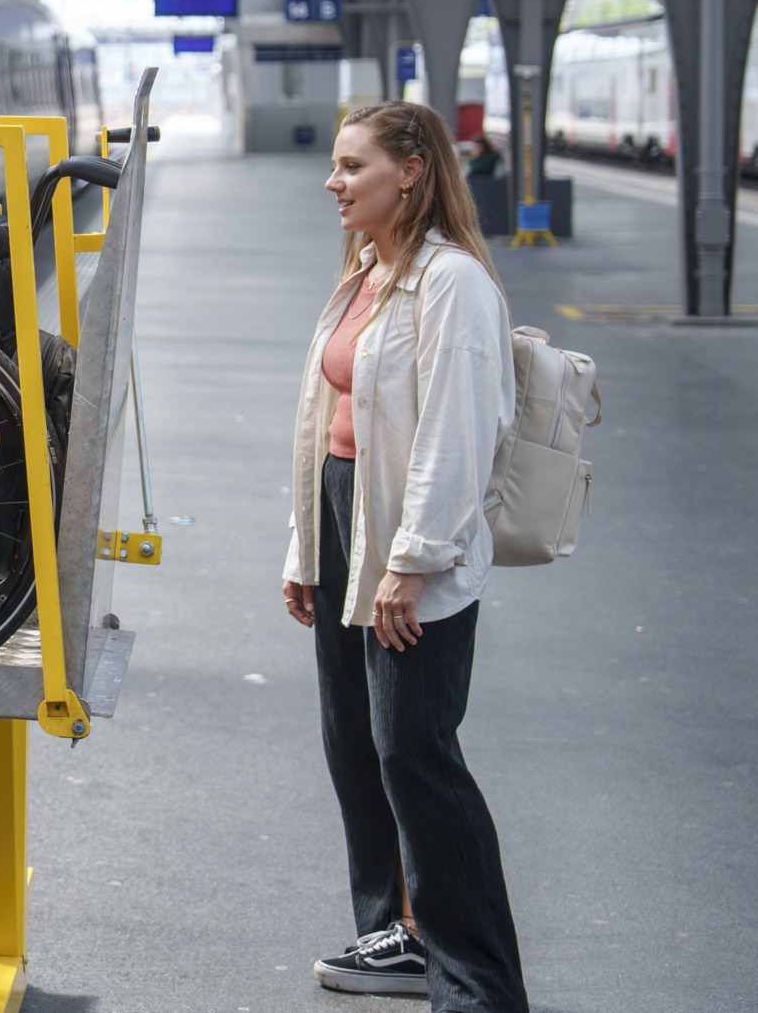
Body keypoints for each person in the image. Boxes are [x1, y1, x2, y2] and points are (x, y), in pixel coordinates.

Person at [281, 101, 526, 1008]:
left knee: (415, 753)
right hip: (346, 514)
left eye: (353, 166)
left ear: (412, 170)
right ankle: (399, 934)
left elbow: (458, 433)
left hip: (408, 535)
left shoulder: (452, 283)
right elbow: (325, 418)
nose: (333, 181)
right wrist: (305, 544)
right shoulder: (366, 269)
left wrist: (412, 560)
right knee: (356, 744)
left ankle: (479, 982)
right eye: (336, 165)